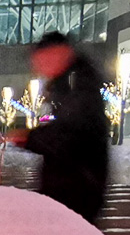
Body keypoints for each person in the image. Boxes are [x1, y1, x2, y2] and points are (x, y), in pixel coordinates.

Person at [18, 32, 111, 224]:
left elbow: (72, 133)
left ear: (57, 53)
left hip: (77, 190)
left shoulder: (78, 83)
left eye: (41, 61)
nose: (38, 68)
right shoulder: (69, 82)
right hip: (71, 187)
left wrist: (28, 138)